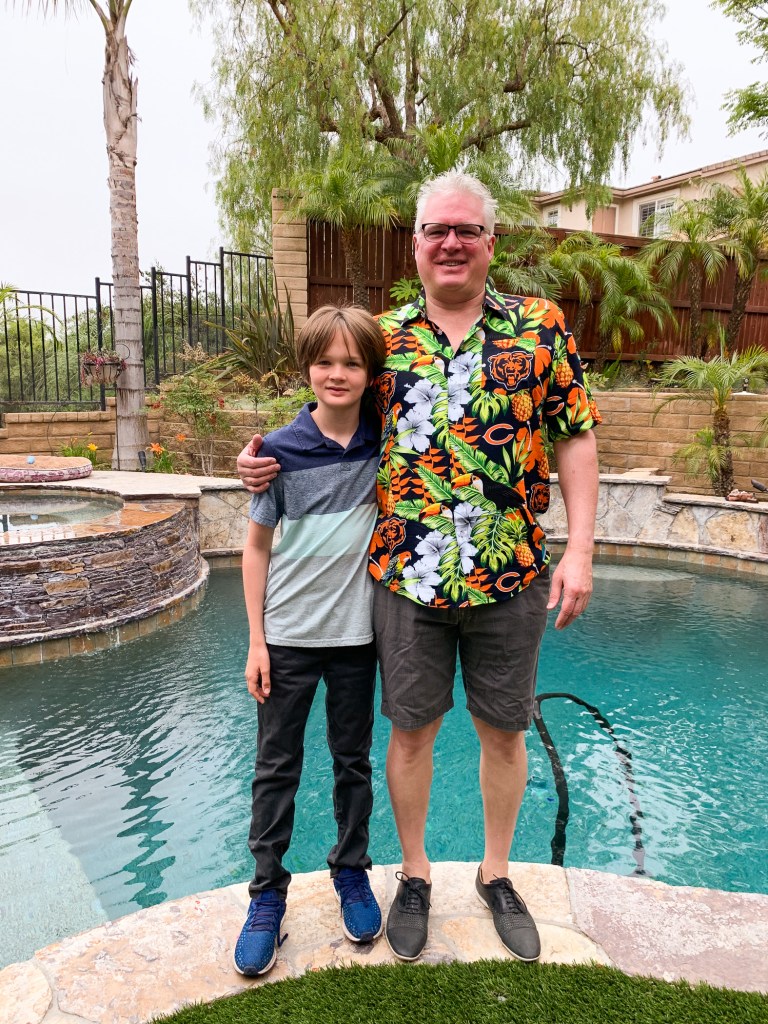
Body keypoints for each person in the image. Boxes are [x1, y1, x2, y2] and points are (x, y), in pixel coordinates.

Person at [236, 171, 601, 965]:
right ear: (416, 244)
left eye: (467, 230)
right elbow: (330, 404)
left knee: (504, 731)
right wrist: (261, 456)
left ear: (490, 242)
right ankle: (413, 875)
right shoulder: (384, 339)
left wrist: (579, 547)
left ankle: (497, 875)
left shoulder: (540, 327)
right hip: (407, 577)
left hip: (510, 573)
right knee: (409, 734)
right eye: (438, 229)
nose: (452, 242)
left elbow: (574, 434)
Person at [233, 305, 387, 977]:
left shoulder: (390, 440)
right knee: (276, 768)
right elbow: (256, 548)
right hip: (288, 638)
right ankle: (266, 894)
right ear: (306, 368)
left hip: (357, 638)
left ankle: (351, 870)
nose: (337, 373)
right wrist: (256, 641)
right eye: (324, 361)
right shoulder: (277, 452)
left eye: (352, 362)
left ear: (370, 373)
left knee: (353, 762)